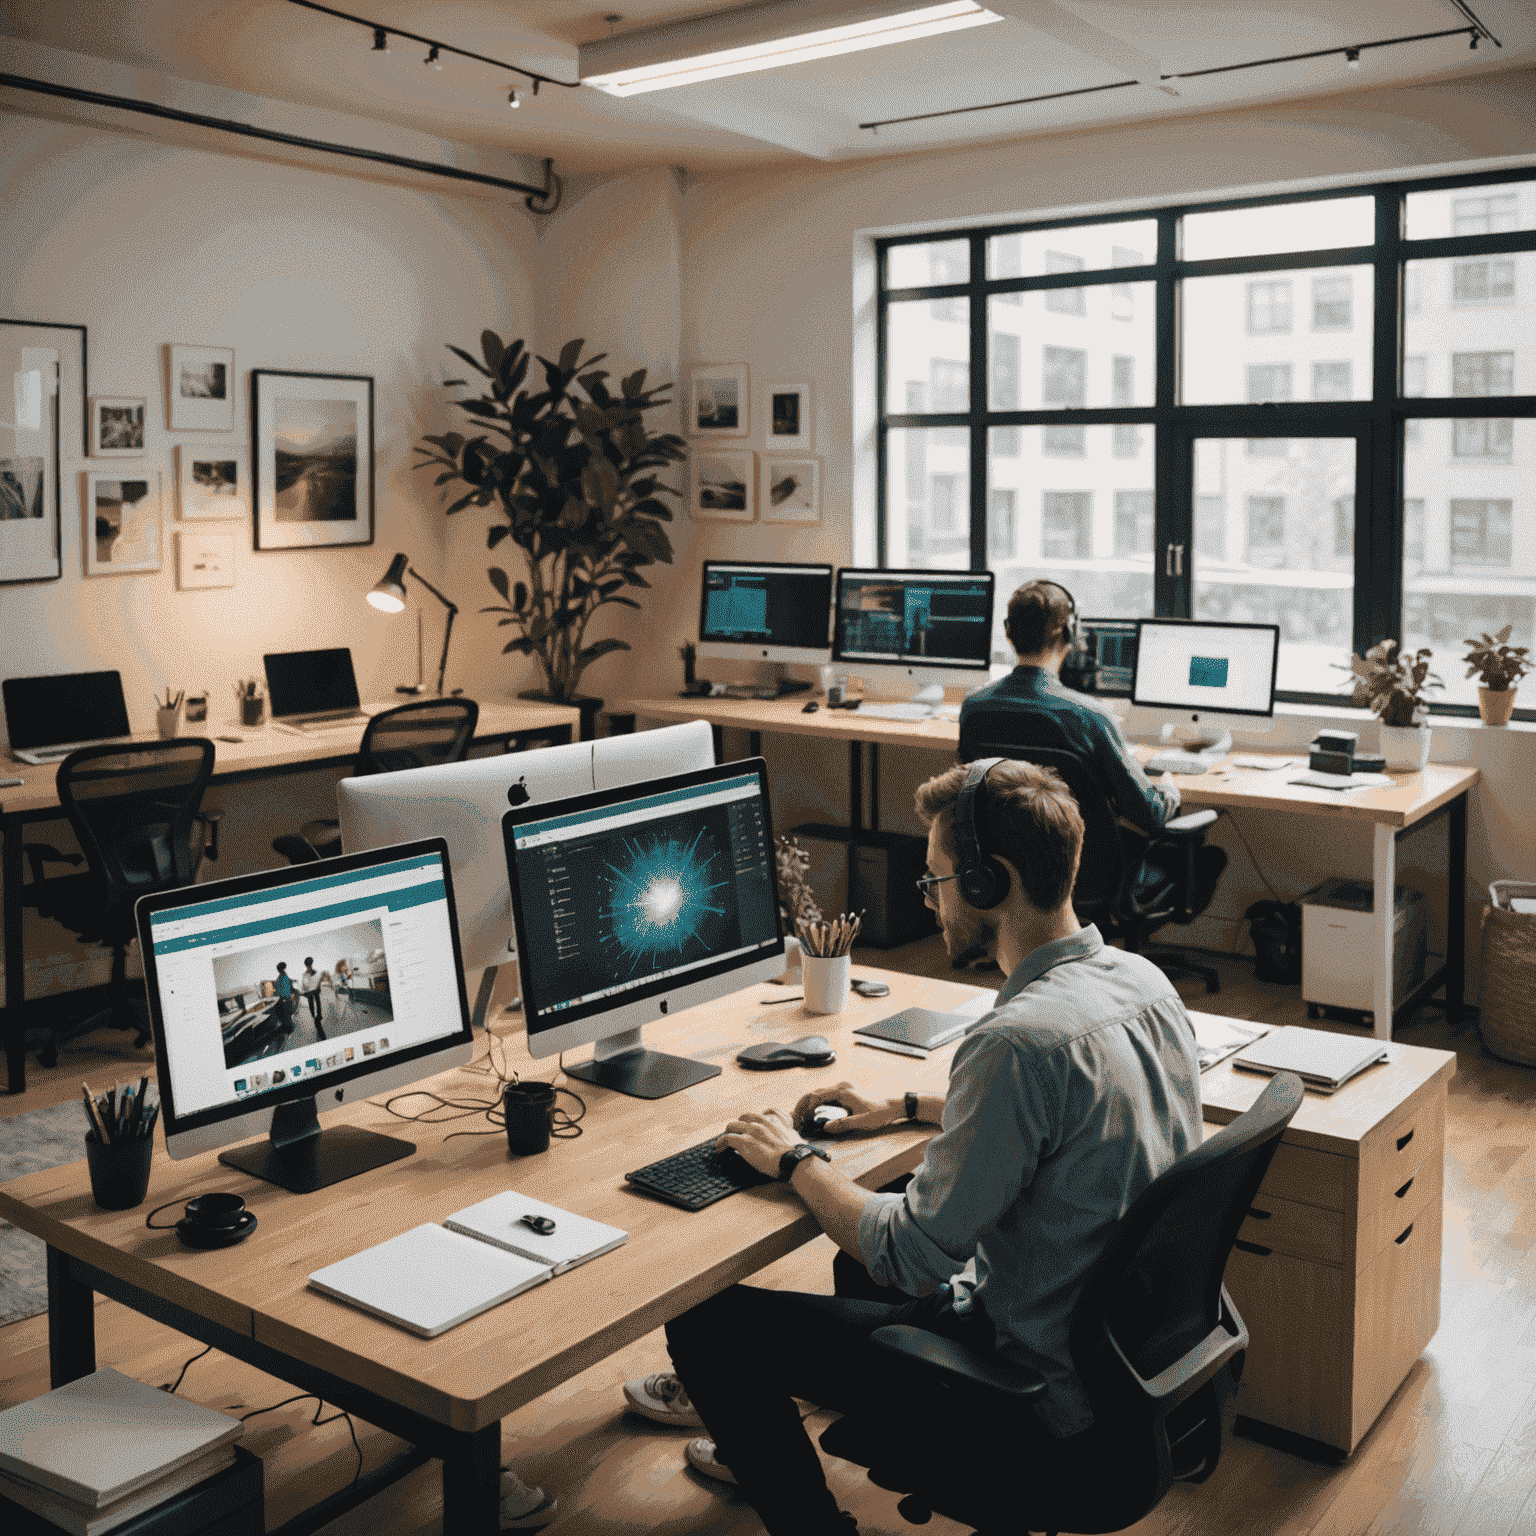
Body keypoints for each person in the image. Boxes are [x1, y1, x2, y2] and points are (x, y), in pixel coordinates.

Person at [644, 758, 1202, 1536]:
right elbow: (1077, 1115)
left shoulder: (1016, 1043)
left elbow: (909, 1256)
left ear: (988, 881)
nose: (930, 899)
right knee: (864, 1231)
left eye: (936, 880)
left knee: (707, 1323)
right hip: (1122, 1367)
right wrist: (910, 1108)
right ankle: (760, 1438)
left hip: (1035, 1393)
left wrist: (796, 1160)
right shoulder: (1144, 983)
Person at [959, 578, 1177, 836]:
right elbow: (1148, 815)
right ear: (1070, 632)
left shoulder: (974, 707)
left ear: (1008, 632)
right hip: (1082, 858)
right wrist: (1168, 788)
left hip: (1005, 854)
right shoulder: (1092, 717)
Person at [300, 957, 324, 1038]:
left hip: (311, 992)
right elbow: (317, 982)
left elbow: (305, 985)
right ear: (311, 963)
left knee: (313, 1003)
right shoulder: (314, 972)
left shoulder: (305, 974)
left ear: (306, 965)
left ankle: (315, 1016)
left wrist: (306, 991)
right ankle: (318, 1017)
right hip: (314, 992)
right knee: (317, 1002)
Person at [272, 962, 296, 1034]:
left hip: (282, 1002)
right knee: (287, 1020)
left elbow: (276, 989)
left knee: (285, 1020)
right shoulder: (286, 978)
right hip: (287, 1002)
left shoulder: (279, 979)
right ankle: (289, 1031)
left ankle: (289, 1032)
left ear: (278, 970)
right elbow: (291, 989)